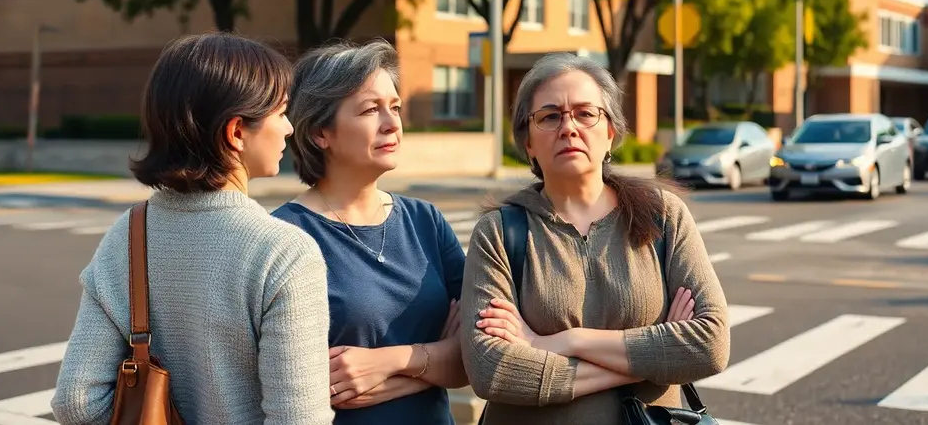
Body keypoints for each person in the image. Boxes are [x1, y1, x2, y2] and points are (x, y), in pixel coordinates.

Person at [51, 33, 335, 425]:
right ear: (236, 132)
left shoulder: (128, 235)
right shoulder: (284, 252)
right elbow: (299, 419)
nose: (289, 128)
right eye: (281, 112)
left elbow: (75, 402)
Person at [460, 53, 730, 424]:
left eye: (586, 113)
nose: (568, 127)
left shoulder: (663, 216)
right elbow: (491, 369)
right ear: (528, 143)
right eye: (550, 116)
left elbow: (709, 345)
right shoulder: (499, 232)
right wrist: (655, 359)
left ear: (610, 133)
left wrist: (559, 343)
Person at [271, 38, 469, 425]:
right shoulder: (285, 237)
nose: (392, 123)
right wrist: (434, 359)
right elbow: (307, 386)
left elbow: (477, 356)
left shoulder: (425, 221)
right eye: (370, 109)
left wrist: (388, 363)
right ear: (319, 134)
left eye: (394, 107)